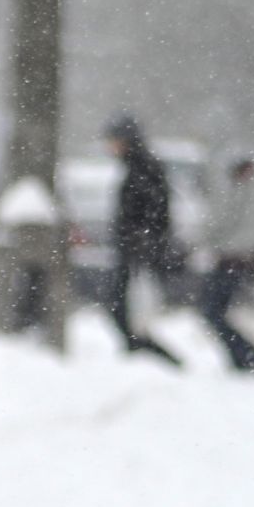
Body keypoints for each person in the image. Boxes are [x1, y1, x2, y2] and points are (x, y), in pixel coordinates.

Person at [102, 113, 183, 366]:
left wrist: (143, 242)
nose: (109, 147)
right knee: (121, 309)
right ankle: (141, 354)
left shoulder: (144, 168)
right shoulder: (138, 166)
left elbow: (155, 213)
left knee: (125, 309)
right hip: (135, 250)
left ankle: (152, 357)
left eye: (113, 140)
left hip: (139, 252)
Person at [197, 152, 254, 374]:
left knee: (212, 312)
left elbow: (219, 223)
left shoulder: (239, 194)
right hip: (241, 259)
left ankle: (248, 358)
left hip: (231, 259)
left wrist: (199, 241)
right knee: (216, 313)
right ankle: (247, 358)